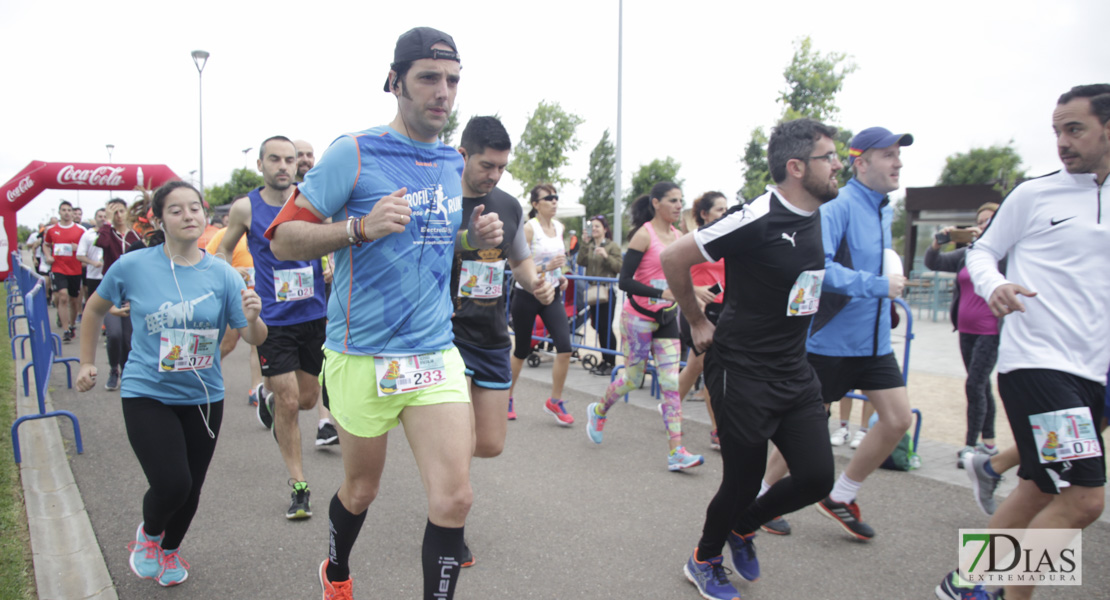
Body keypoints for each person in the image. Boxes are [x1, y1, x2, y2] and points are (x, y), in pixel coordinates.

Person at [266, 26, 502, 600]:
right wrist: (356, 228)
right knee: (361, 489)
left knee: (455, 497)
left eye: (451, 80)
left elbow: (434, 242)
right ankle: (337, 569)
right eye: (428, 78)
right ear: (396, 83)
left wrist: (473, 239)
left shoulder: (452, 162)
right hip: (361, 356)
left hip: (433, 353)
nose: (442, 91)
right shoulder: (355, 151)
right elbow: (282, 238)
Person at [937, 84, 1110, 600]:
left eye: (1073, 128)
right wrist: (996, 286)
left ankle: (967, 584)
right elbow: (982, 252)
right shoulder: (1036, 193)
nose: (1061, 141)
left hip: (1093, 373)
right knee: (1084, 501)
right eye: (1057, 130)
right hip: (1037, 365)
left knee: (1040, 486)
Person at [662, 118, 840, 599]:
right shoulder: (757, 215)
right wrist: (697, 320)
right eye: (830, 157)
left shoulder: (818, 214)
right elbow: (675, 257)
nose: (838, 164)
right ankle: (703, 559)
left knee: (818, 476)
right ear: (797, 166)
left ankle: (743, 527)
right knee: (741, 482)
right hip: (740, 369)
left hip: (793, 369)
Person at [75, 180, 266, 587]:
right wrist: (86, 363)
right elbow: (93, 311)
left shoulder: (223, 274)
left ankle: (170, 549)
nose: (188, 216)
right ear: (159, 219)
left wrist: (252, 316)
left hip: (204, 395)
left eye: (194, 208)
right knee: (172, 482)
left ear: (205, 215)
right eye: (176, 210)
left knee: (191, 488)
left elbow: (253, 338)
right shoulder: (133, 266)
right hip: (147, 391)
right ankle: (148, 535)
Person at [450, 115, 553, 567]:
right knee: (456, 441)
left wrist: (538, 285)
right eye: (486, 165)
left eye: (501, 168)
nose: (493, 175)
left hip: (492, 335)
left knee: (489, 442)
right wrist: (464, 237)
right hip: (444, 335)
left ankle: (442, 462)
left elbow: (520, 264)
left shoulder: (509, 206)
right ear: (464, 155)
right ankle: (450, 516)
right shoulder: (441, 199)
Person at [805, 126, 913, 541]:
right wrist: (877, 286)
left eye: (898, 155)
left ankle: (840, 495)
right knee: (804, 435)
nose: (898, 162)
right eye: (888, 155)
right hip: (831, 344)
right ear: (861, 162)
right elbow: (821, 268)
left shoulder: (883, 209)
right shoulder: (838, 205)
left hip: (874, 346)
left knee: (898, 418)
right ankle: (757, 501)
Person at [219, 135, 329, 519]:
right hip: (273, 323)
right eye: (275, 159)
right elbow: (220, 249)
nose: (284, 165)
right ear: (261, 165)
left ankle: (269, 401)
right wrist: (235, 286)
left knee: (308, 400)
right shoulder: (245, 208)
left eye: (290, 159)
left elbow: (329, 237)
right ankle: (299, 486)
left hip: (314, 316)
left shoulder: (311, 200)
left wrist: (329, 260)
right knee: (287, 401)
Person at [585, 182, 704, 470]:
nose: (679, 206)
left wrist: (694, 291)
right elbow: (625, 281)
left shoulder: (678, 236)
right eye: (672, 201)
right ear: (656, 203)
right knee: (632, 379)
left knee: (671, 385)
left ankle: (676, 452)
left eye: (680, 200)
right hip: (638, 317)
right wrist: (659, 293)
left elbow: (679, 275)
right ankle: (598, 410)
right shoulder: (643, 235)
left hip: (666, 319)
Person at [924, 202, 1003, 467]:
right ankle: (989, 442)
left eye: (989, 221)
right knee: (980, 383)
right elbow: (934, 262)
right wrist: (939, 242)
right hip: (966, 329)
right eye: (980, 221)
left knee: (974, 384)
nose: (982, 225)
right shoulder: (968, 253)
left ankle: (970, 446)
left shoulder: (1004, 253)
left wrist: (987, 242)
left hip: (991, 329)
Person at [507, 184, 574, 424]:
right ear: (536, 204)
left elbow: (559, 261)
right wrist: (546, 268)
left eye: (556, 197)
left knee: (565, 348)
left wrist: (562, 277)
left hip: (552, 294)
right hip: (527, 295)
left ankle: (555, 402)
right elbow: (516, 267)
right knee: (522, 350)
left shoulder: (559, 227)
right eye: (549, 198)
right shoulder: (528, 229)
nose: (554, 202)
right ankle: (508, 397)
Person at [290, 138, 342, 444]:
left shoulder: (326, 196)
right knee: (296, 391)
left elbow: (335, 236)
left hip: (322, 294)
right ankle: (278, 397)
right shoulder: (280, 201)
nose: (306, 159)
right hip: (284, 302)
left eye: (310, 154)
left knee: (327, 358)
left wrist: (334, 266)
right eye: (300, 155)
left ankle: (325, 422)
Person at [676, 192, 728, 451]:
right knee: (710, 368)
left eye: (726, 209)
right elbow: (672, 271)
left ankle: (670, 410)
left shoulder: (730, 240)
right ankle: (718, 430)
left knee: (695, 368)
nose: (724, 213)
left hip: (724, 311)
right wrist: (697, 290)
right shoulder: (693, 241)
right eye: (719, 209)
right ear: (704, 214)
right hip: (697, 312)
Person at [205, 218, 265, 413]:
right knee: (228, 344)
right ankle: (205, 370)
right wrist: (231, 270)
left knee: (257, 345)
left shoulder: (264, 233)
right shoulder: (224, 235)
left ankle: (256, 388)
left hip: (260, 298)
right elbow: (206, 264)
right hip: (234, 299)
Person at [95, 198, 143, 391]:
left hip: (132, 291)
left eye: (121, 211)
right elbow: (102, 243)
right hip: (111, 290)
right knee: (114, 334)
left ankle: (126, 370)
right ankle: (113, 369)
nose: (118, 215)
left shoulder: (134, 235)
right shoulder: (107, 233)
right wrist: (107, 222)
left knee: (128, 337)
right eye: (114, 211)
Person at [576, 214, 622, 375]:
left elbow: (619, 268)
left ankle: (611, 363)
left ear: (605, 229)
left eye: (597, 226)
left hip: (607, 292)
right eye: (592, 226)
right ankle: (604, 360)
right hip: (593, 292)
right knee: (598, 327)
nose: (594, 229)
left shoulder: (612, 246)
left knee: (606, 328)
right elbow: (580, 261)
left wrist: (606, 256)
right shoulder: (589, 246)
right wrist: (584, 242)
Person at [44, 201, 86, 342]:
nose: (67, 212)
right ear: (59, 212)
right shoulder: (51, 230)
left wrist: (78, 248)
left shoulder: (80, 230)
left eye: (69, 210)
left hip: (75, 269)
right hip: (58, 267)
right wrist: (48, 256)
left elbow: (87, 247)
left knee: (74, 301)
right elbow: (46, 245)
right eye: (64, 210)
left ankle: (72, 324)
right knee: (62, 296)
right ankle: (66, 329)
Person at [75, 207, 107, 318]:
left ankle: (107, 326)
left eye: (105, 216)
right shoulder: (88, 234)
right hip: (94, 275)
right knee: (96, 304)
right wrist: (93, 262)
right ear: (95, 218)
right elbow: (79, 255)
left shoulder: (113, 233)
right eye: (100, 216)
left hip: (109, 274)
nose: (103, 219)